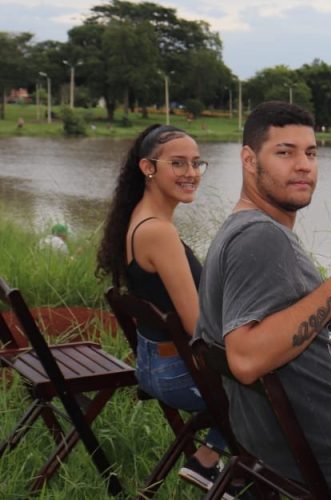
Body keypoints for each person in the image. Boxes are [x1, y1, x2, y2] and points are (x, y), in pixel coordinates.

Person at [196, 101, 331, 489]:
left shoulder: (248, 228)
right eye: (285, 153)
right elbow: (246, 358)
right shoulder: (260, 237)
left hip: (288, 441)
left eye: (311, 153)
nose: (304, 165)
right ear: (249, 160)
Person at [95, 124, 227, 491]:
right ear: (148, 167)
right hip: (181, 375)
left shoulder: (139, 218)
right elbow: (196, 323)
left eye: (197, 163)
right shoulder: (159, 232)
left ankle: (226, 471)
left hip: (158, 366)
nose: (191, 173)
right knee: (279, 384)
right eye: (178, 163)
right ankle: (212, 461)